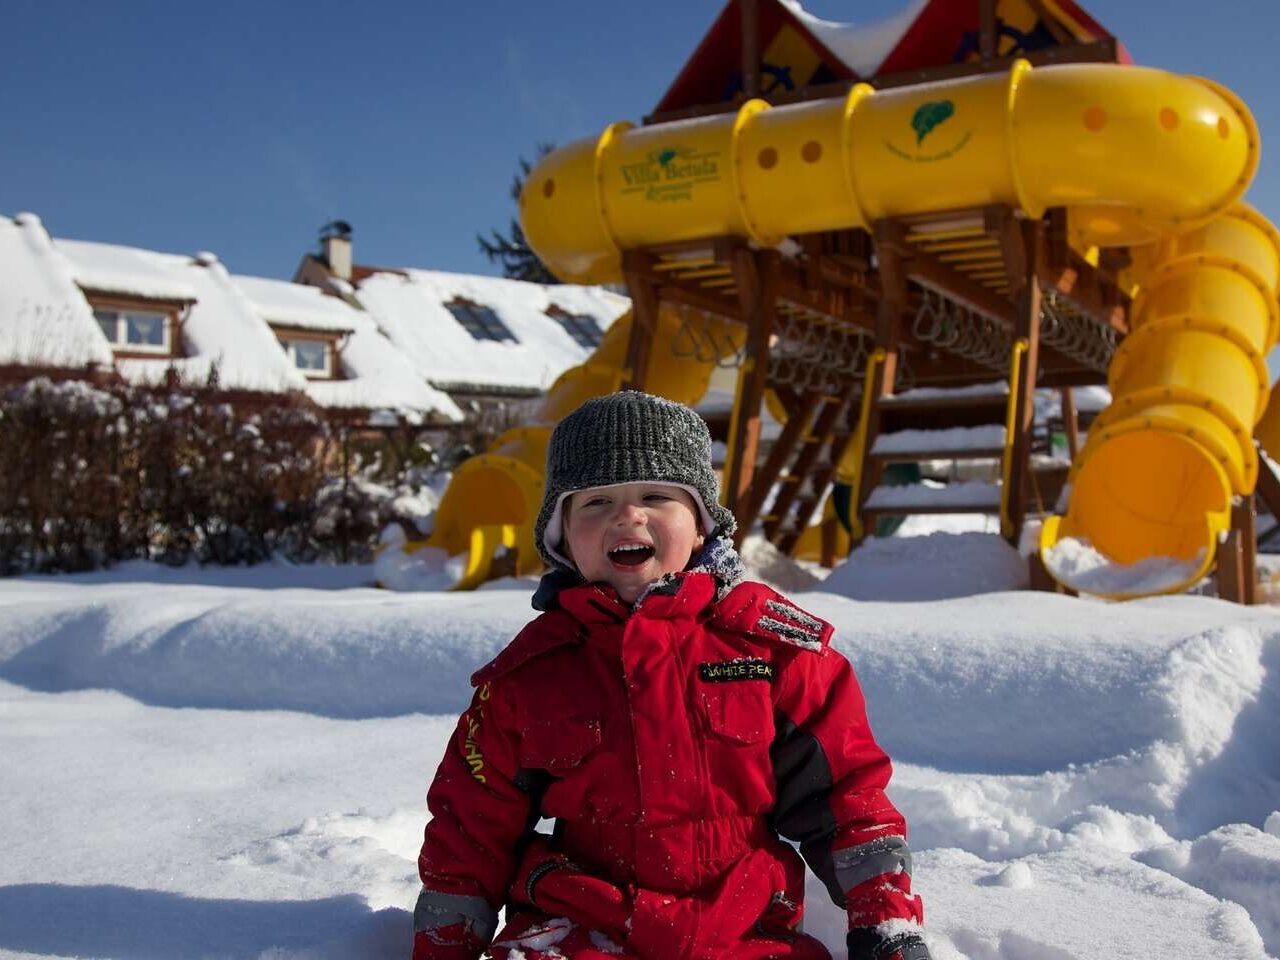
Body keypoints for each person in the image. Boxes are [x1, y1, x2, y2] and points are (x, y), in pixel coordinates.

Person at [412, 391, 929, 960]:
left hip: (743, 928)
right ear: (561, 540)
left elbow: (848, 800)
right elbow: (470, 824)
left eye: (656, 496)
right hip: (579, 925)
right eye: (595, 502)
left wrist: (887, 925)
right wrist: (447, 939)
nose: (627, 515)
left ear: (703, 525)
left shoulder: (774, 654)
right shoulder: (529, 677)